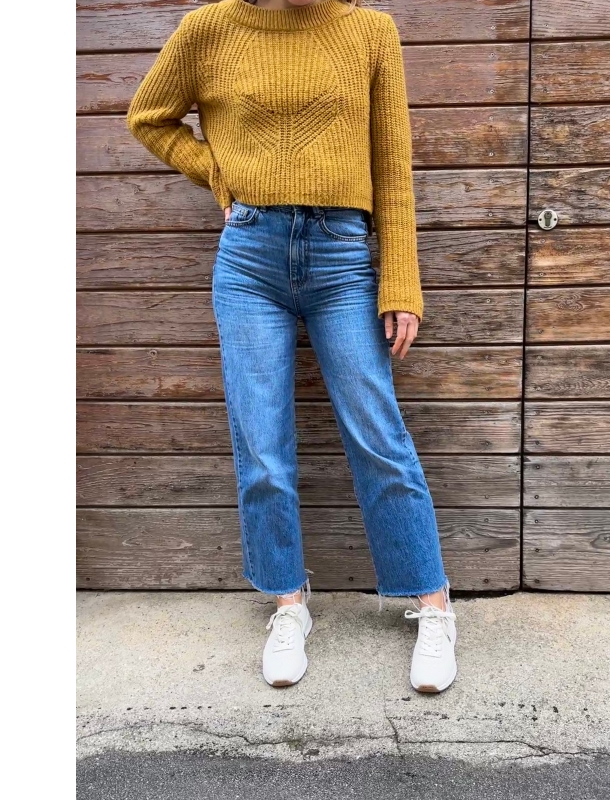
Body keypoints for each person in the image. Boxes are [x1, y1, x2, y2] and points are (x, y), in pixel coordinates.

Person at [127, 0, 457, 692]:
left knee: (377, 434)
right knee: (262, 443)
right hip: (249, 257)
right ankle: (287, 603)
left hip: (343, 256)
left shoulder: (369, 31)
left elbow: (392, 164)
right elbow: (149, 117)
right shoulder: (209, 29)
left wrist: (400, 279)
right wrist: (216, 172)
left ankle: (432, 605)